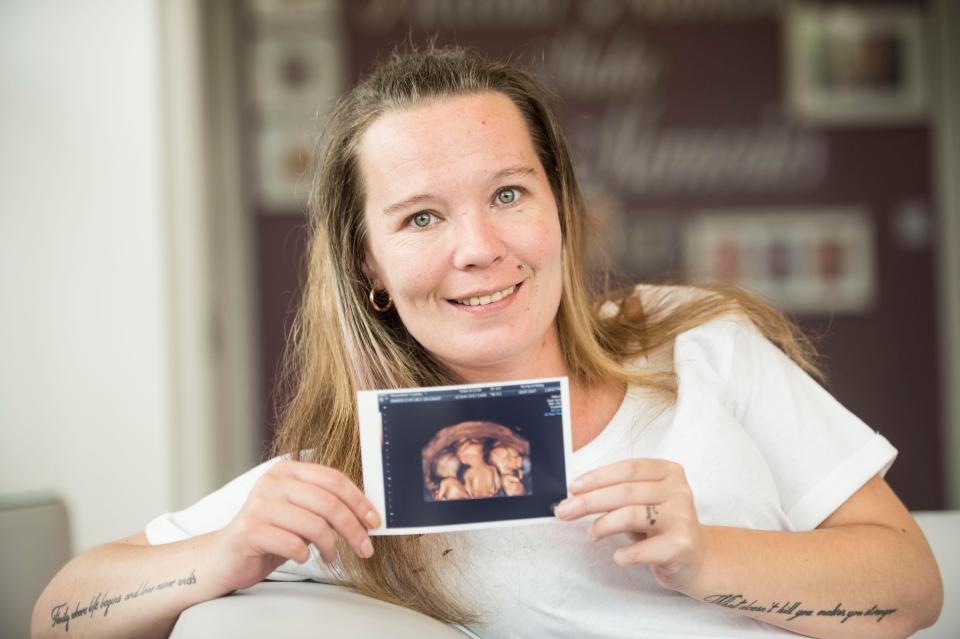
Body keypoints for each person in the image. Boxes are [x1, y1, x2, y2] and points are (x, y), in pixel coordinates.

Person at [32, 44, 942, 639]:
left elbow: (912, 585)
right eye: (422, 216)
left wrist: (705, 555)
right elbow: (59, 612)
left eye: (508, 193)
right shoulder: (358, 480)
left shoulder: (699, 341)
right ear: (369, 266)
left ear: (557, 208)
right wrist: (221, 552)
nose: (480, 249)